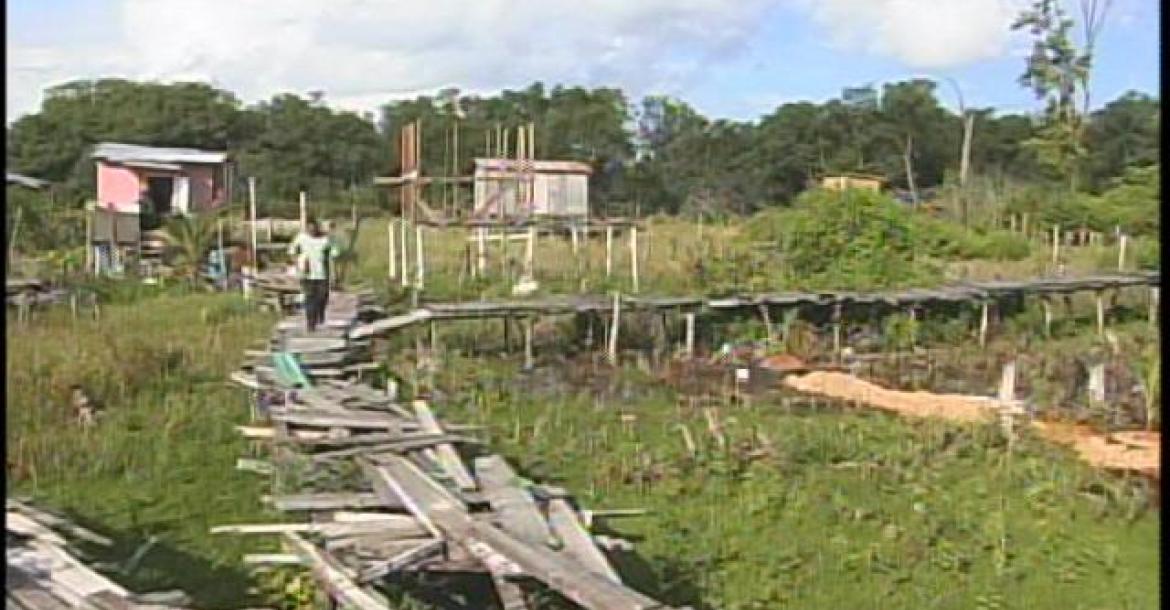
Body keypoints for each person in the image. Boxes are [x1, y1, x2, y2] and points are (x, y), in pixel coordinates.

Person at [288, 218, 339, 332]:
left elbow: (333, 255)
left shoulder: (326, 239)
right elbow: (292, 251)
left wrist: (334, 273)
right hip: (306, 274)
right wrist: (297, 264)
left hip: (322, 274)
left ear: (317, 228)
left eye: (313, 228)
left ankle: (320, 314)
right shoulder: (301, 238)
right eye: (309, 229)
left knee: (322, 296)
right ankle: (310, 323)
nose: (311, 231)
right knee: (309, 298)